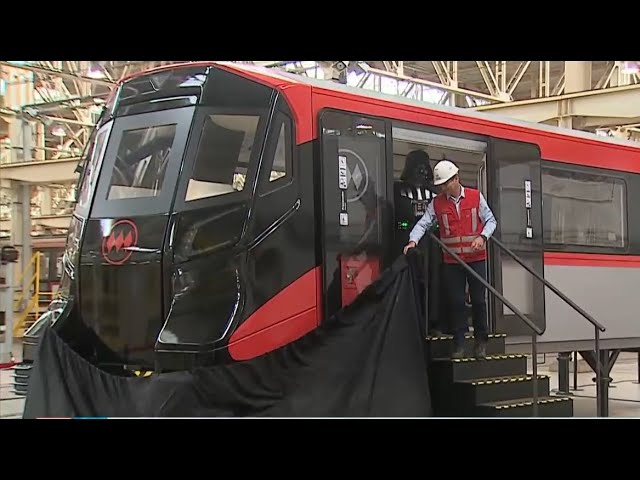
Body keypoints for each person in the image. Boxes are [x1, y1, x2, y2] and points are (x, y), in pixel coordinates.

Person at [403, 159, 497, 359]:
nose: (444, 188)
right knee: (456, 302)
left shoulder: (475, 197)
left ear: (456, 178)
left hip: (476, 258)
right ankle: (460, 342)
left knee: (479, 301)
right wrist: (413, 241)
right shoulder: (437, 203)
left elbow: (491, 220)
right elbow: (423, 224)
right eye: (441, 185)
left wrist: (482, 237)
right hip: (452, 261)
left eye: (447, 183)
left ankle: (481, 340)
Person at [393, 150, 445, 336]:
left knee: (433, 282)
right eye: (417, 166)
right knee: (410, 282)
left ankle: (432, 322)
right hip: (406, 243)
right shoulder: (397, 190)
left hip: (432, 245)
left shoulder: (434, 193)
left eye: (424, 166)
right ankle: (409, 321)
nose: (421, 171)